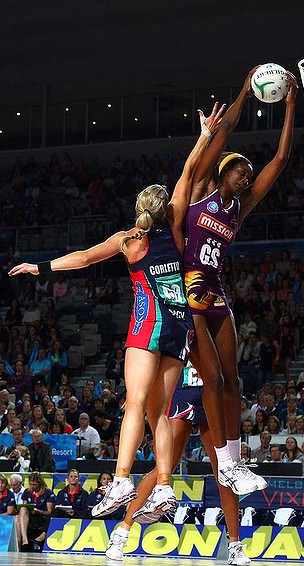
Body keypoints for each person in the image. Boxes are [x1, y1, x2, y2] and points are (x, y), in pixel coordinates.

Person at [9, 103, 228, 515]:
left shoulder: (129, 240)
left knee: (135, 403)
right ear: (164, 208)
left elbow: (83, 258)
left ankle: (122, 479)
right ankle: (164, 486)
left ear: (138, 209)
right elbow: (189, 172)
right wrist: (204, 135)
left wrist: (40, 267)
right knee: (159, 411)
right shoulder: (175, 225)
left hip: (150, 323)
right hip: (180, 325)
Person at [178, 67, 297, 494]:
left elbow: (280, 161)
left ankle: (233, 461)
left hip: (215, 290)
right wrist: (246, 91)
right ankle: (225, 462)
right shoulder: (200, 191)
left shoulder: (238, 209)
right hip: (185, 290)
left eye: (248, 173)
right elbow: (224, 131)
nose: (247, 176)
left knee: (234, 380)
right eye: (241, 171)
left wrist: (290, 107)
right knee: (212, 378)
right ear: (223, 172)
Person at [106, 362, 250, 566]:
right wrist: (141, 395)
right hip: (182, 390)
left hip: (212, 391)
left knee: (225, 473)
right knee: (162, 469)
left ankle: (235, 545)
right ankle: (121, 534)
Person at [15, 471, 55, 551]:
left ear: (40, 483)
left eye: (34, 484)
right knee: (19, 514)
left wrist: (38, 511)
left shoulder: (48, 492)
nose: (32, 487)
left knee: (19, 519)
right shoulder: (27, 492)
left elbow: (49, 512)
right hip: (29, 517)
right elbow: (24, 506)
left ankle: (22, 544)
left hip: (41, 517)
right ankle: (24, 541)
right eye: (31, 484)